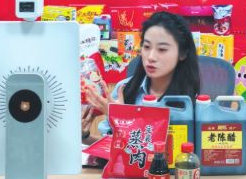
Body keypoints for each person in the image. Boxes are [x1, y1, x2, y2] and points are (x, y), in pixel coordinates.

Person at [82, 11, 201, 143]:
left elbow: (159, 150)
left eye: (162, 49)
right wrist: (84, 136)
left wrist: (121, 120)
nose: (151, 57)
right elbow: (111, 146)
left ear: (182, 53)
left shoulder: (191, 101)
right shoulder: (124, 89)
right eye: (147, 47)